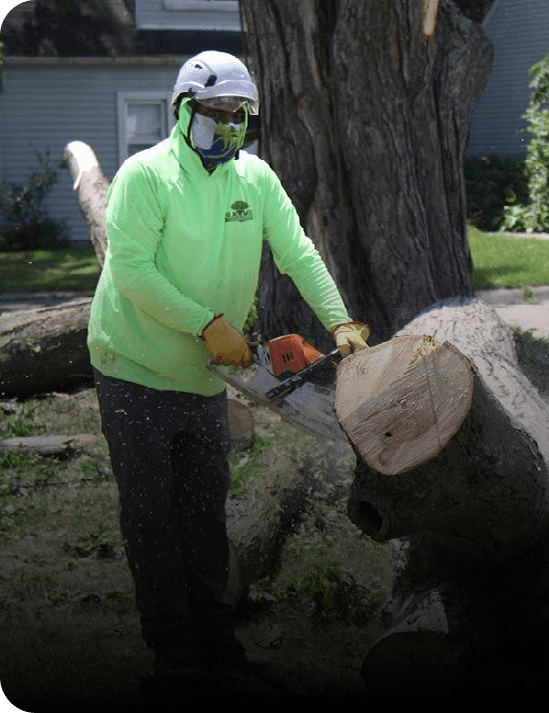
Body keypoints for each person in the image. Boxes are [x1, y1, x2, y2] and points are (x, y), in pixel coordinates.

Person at [87, 50, 369, 685]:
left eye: (241, 116)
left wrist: (341, 321)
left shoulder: (255, 180)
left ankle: (216, 642)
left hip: (203, 372)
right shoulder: (146, 176)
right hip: (132, 362)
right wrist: (206, 323)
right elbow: (131, 272)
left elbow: (297, 251)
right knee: (152, 511)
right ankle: (173, 653)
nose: (231, 127)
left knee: (204, 506)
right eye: (218, 114)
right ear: (184, 110)